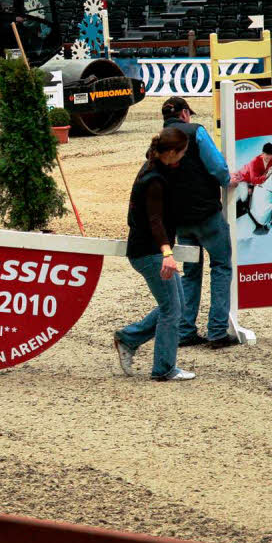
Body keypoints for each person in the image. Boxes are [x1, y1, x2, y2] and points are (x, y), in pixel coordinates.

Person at [114, 127, 196, 381]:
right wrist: (167, 253)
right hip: (149, 253)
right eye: (181, 153)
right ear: (171, 152)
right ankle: (164, 368)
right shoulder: (155, 181)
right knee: (172, 309)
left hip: (145, 249)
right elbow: (155, 221)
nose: (182, 158)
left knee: (175, 305)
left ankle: (129, 338)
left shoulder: (152, 167)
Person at [160, 97, 237, 349]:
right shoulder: (196, 132)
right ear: (184, 114)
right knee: (221, 266)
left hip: (179, 218)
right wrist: (227, 179)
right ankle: (217, 331)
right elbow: (216, 167)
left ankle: (185, 330)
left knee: (191, 273)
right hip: (206, 213)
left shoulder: (161, 139)